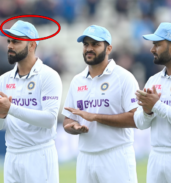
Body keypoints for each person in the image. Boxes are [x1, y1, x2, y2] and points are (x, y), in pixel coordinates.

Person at [62, 25, 139, 183]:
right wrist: (73, 127)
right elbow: (68, 119)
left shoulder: (124, 77)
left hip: (116, 156)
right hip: (85, 157)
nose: (89, 49)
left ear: (108, 48)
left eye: (95, 44)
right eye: (86, 44)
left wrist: (95, 117)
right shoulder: (77, 81)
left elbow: (136, 119)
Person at [0, 20, 61, 183]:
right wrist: (2, 115)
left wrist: (11, 108)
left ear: (32, 45)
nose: (10, 46)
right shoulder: (3, 80)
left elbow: (49, 120)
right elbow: (2, 126)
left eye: (16, 41)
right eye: (9, 41)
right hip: (11, 155)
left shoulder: (48, 76)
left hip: (39, 155)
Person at [134, 22, 171, 183]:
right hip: (156, 155)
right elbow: (140, 123)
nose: (152, 49)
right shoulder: (153, 80)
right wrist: (147, 111)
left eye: (157, 44)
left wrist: (156, 105)